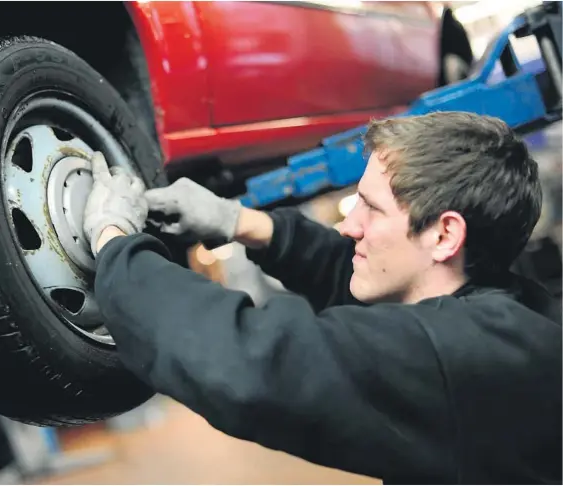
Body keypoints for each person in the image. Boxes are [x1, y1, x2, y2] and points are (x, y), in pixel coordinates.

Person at [82, 112, 562, 484]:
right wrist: (236, 221)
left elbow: (251, 365)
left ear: (444, 235)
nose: (349, 225)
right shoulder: (506, 313)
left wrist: (114, 243)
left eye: (371, 209)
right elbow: (348, 275)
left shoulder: (467, 357)